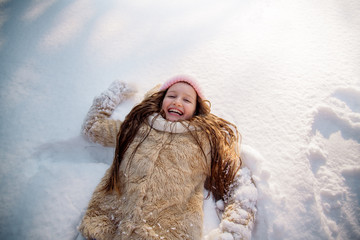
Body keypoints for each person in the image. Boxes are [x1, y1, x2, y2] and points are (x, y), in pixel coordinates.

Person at [78, 76, 257, 240]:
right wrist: (114, 93)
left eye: (187, 99)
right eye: (172, 96)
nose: (178, 102)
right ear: (160, 100)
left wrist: (234, 232)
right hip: (104, 230)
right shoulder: (136, 127)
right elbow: (93, 128)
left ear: (196, 110)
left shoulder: (204, 142)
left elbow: (239, 182)